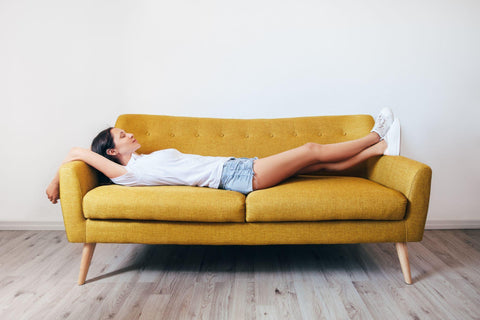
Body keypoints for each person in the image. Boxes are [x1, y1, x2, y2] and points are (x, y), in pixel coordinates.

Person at [46, 108, 400, 204]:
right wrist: (56, 181)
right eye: (122, 136)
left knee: (318, 162)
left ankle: (382, 148)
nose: (129, 134)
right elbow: (77, 152)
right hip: (239, 177)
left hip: (238, 168)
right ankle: (376, 132)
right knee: (309, 150)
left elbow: (78, 154)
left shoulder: (140, 163)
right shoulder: (129, 176)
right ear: (111, 152)